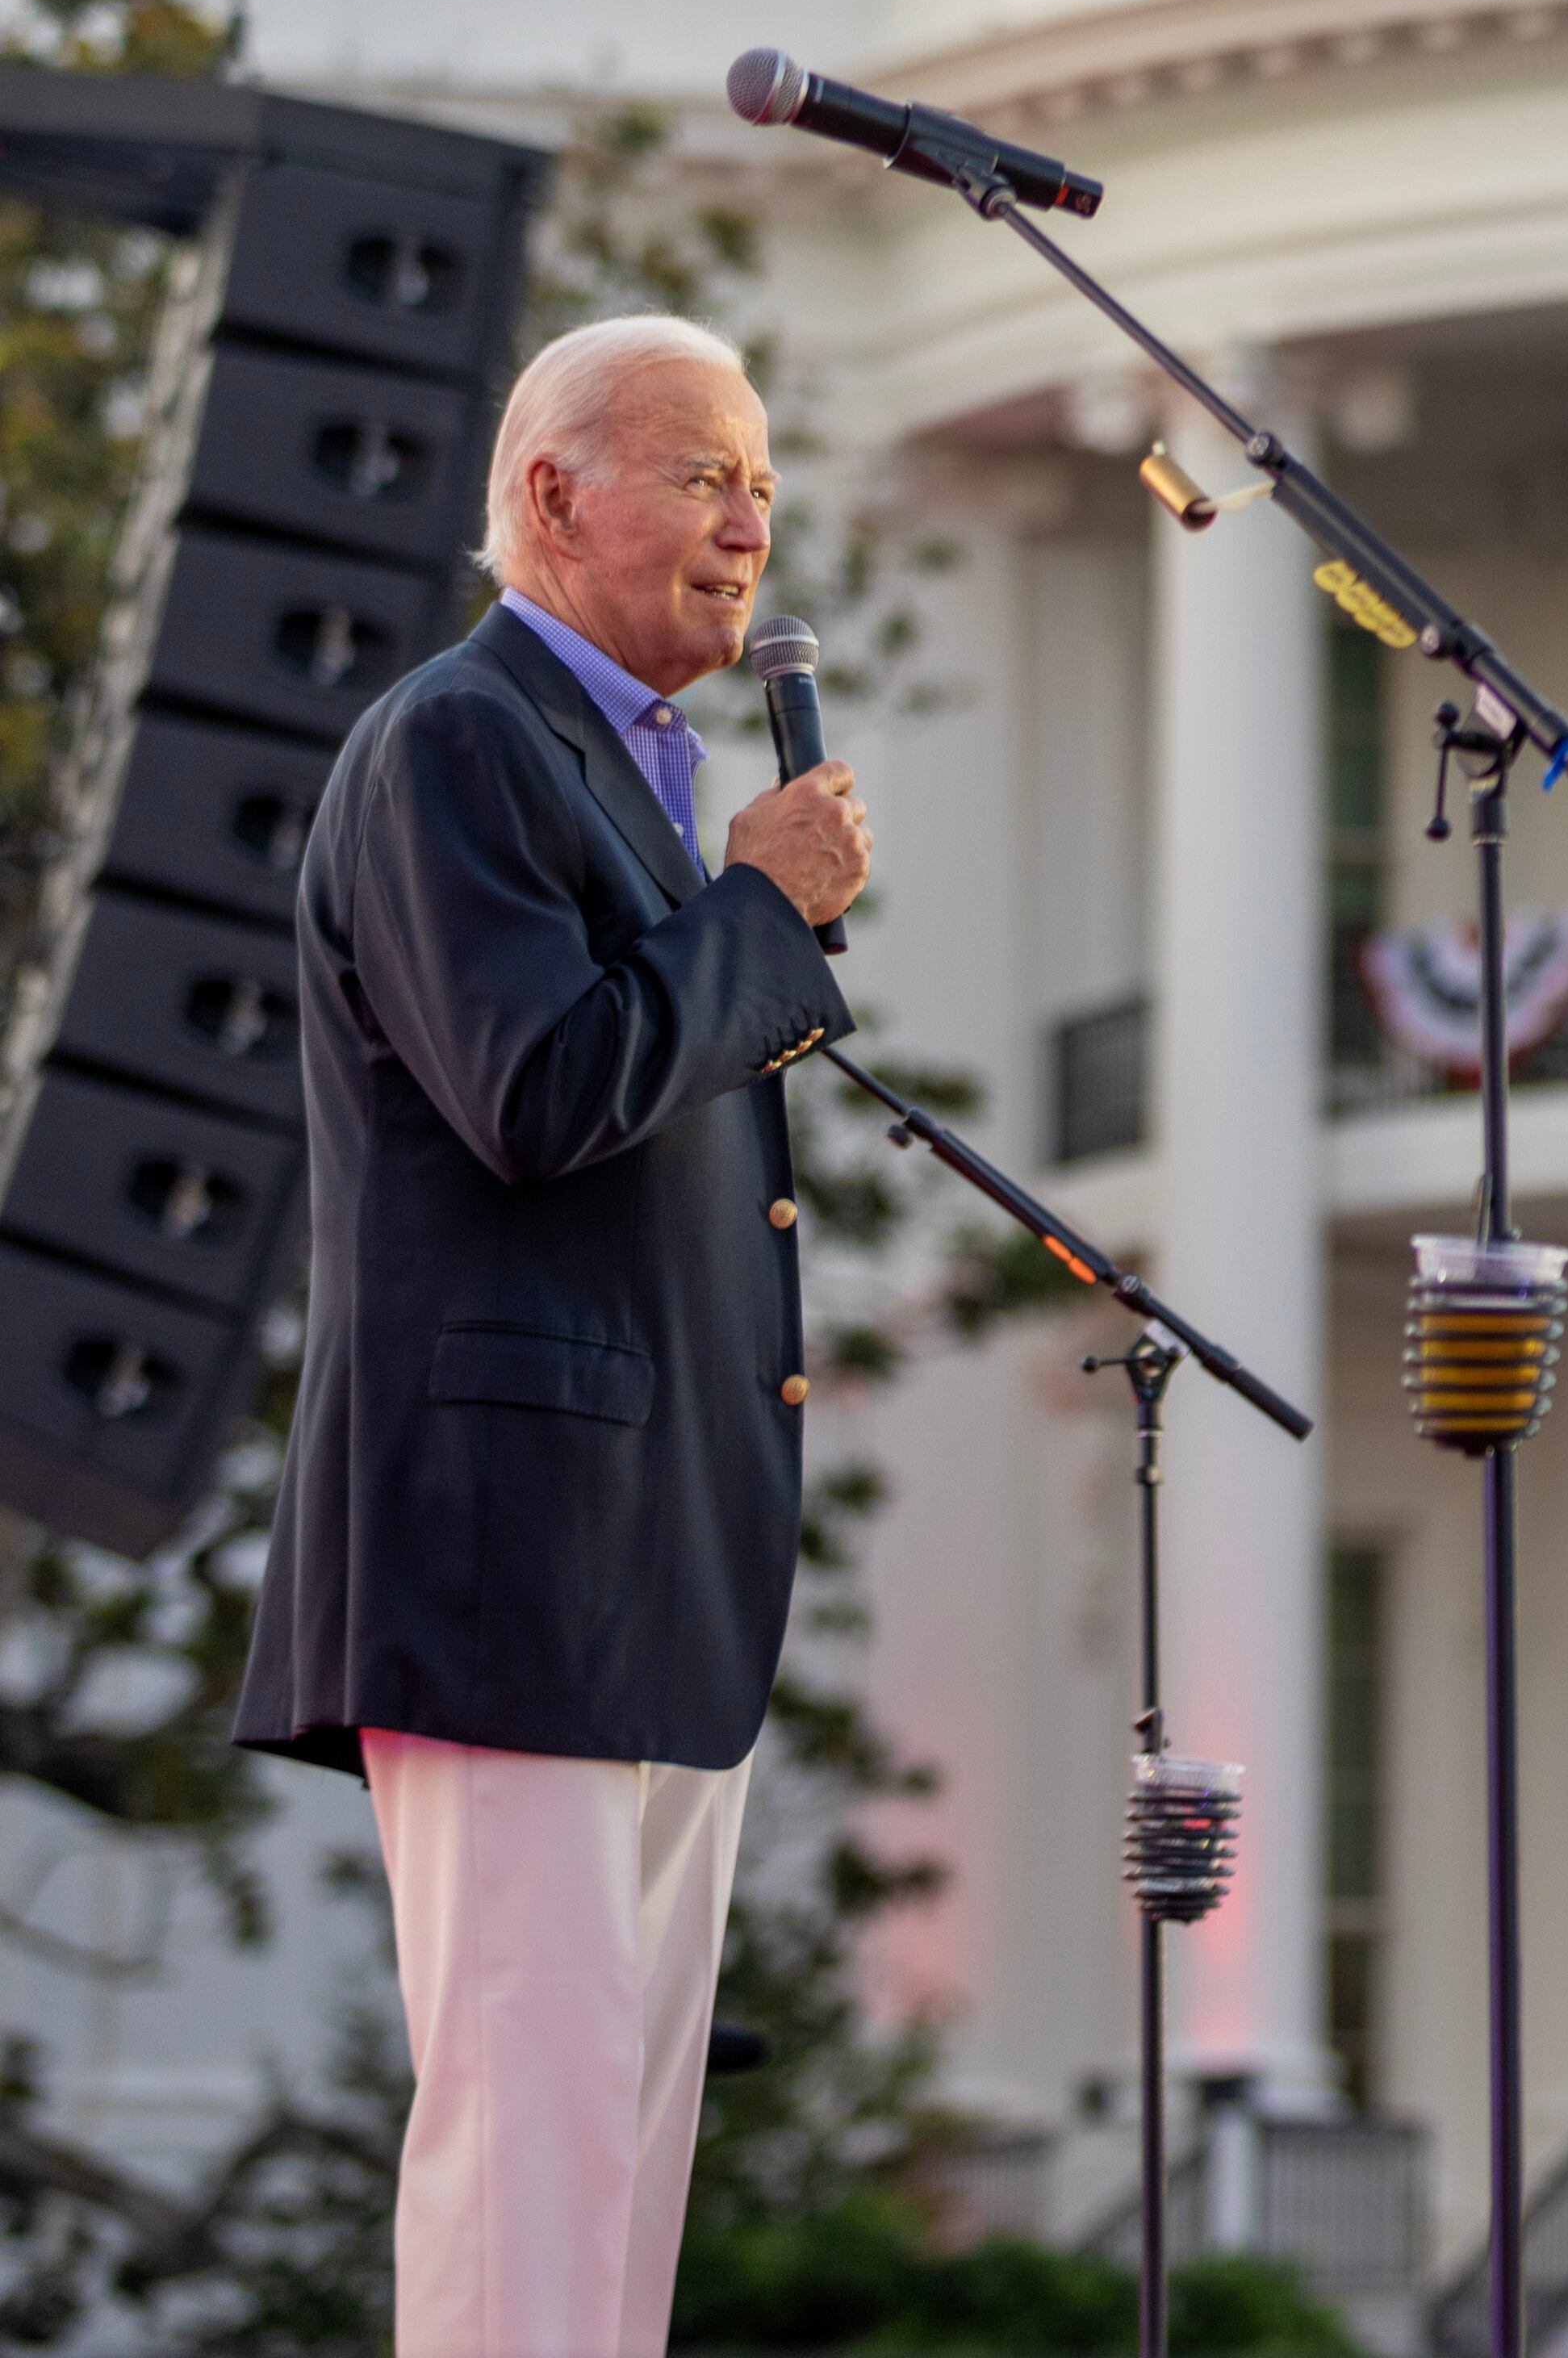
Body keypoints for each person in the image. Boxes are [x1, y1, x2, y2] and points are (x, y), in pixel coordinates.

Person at [231, 315, 872, 2357]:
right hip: (521, 1549)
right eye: (703, 473)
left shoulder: (625, 771)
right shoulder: (459, 737)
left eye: (763, 480)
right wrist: (756, 914)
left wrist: (732, 911)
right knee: (531, 2150)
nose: (748, 522)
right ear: (549, 494)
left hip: (640, 1557)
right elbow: (534, 1089)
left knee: (616, 2162)